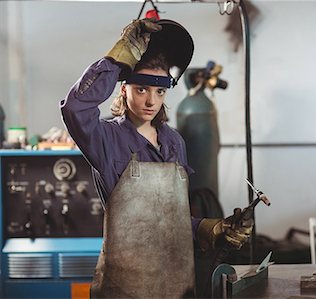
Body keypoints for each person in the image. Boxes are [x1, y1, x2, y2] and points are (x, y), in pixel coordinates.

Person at [60, 18, 252, 297]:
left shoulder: (174, 142)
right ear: (123, 88)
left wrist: (214, 229)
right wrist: (117, 61)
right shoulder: (106, 138)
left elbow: (172, 220)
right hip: (125, 285)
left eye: (159, 91)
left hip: (176, 282)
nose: (151, 101)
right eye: (141, 90)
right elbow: (75, 108)